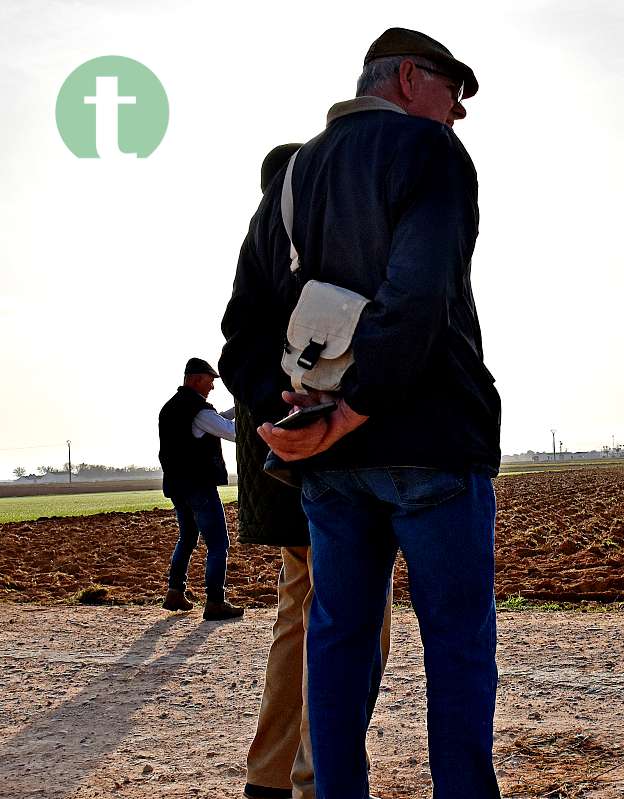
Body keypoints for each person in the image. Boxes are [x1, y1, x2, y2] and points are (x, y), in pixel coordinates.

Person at [220, 27, 501, 799]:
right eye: (455, 92)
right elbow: (418, 299)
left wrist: (292, 409)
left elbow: (242, 330)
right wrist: (357, 407)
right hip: (433, 445)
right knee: (457, 648)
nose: (460, 114)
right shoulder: (431, 154)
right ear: (410, 78)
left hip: (331, 472)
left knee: (337, 644)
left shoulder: (293, 175)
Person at [236, 145, 394, 799]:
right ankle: (317, 776)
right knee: (354, 622)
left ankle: (271, 775)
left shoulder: (261, 253)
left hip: (271, 464)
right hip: (320, 466)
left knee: (298, 613)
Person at [158, 357, 244, 621]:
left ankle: (175, 592)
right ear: (196, 379)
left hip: (177, 485)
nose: (213, 387)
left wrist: (239, 408)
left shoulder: (171, 407)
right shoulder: (198, 410)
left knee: (187, 539)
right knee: (219, 543)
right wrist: (252, 418)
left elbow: (215, 419)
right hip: (199, 485)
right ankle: (216, 601)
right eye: (210, 381)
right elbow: (231, 432)